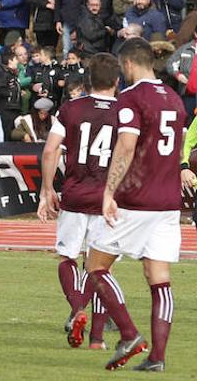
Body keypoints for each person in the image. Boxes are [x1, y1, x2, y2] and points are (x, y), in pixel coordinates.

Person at [78, 38, 186, 371]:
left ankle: (128, 334)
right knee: (159, 278)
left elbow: (126, 147)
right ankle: (157, 358)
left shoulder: (130, 98)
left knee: (95, 266)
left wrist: (109, 192)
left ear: (126, 65)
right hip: (168, 202)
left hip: (137, 199)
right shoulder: (175, 99)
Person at [38, 52, 120, 350]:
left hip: (74, 193)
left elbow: (50, 151)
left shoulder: (70, 108)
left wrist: (48, 190)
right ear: (116, 80)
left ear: (87, 80)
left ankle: (77, 309)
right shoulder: (125, 110)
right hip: (109, 197)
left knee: (68, 257)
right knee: (101, 269)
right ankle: (97, 339)